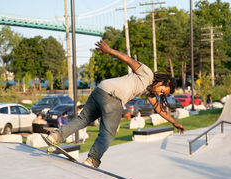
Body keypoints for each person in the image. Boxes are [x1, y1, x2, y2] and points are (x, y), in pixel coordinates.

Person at [46, 40, 185, 168]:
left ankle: (55, 136)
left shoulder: (150, 92)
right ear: (162, 82)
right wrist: (109, 50)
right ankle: (92, 160)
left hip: (100, 89)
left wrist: (174, 123)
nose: (159, 94)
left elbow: (160, 110)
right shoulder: (147, 73)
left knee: (83, 119)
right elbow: (129, 60)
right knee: (108, 133)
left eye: (162, 95)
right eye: (162, 91)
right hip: (113, 98)